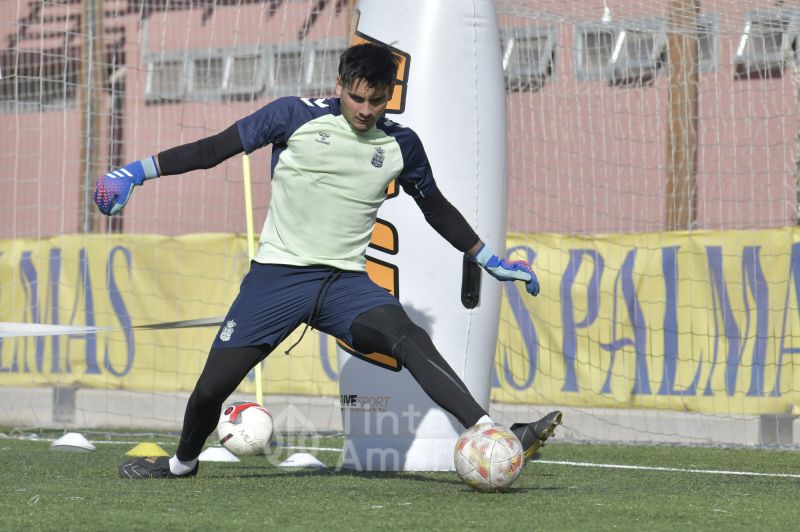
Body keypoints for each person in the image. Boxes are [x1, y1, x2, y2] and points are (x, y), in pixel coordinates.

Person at [97, 43, 562, 479]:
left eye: (376, 101)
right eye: (356, 97)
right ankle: (181, 464)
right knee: (211, 390)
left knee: (407, 336)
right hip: (277, 279)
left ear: (390, 97)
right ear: (339, 84)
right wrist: (137, 172)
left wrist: (486, 257)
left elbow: (435, 206)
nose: (364, 110)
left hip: (345, 286)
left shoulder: (403, 145)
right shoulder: (291, 115)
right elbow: (213, 150)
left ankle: (488, 433)